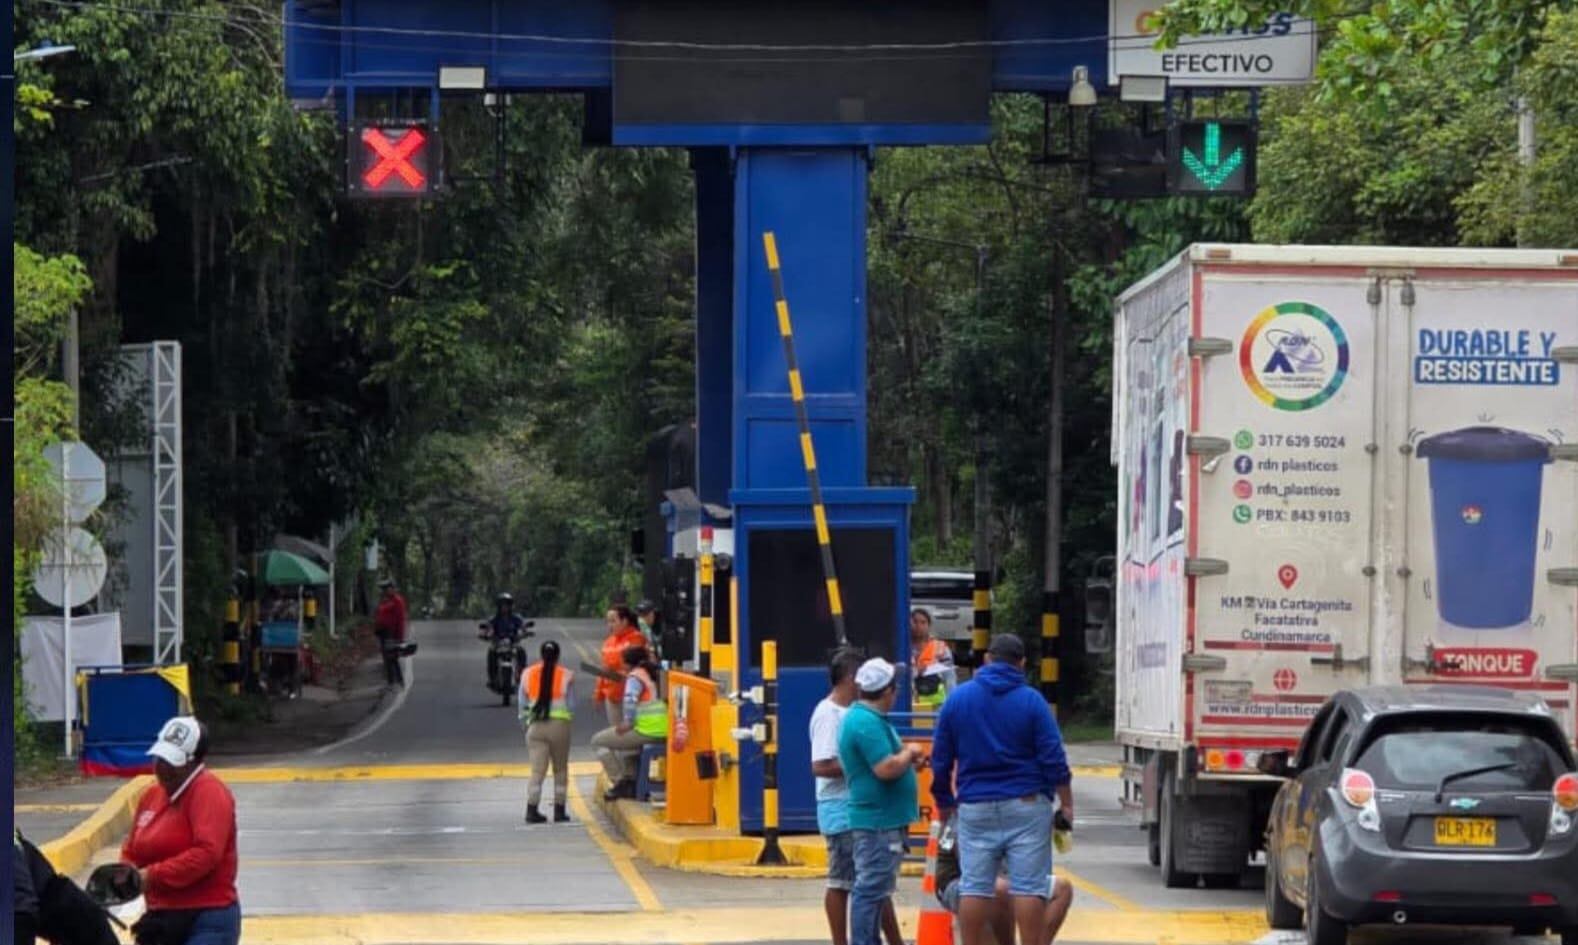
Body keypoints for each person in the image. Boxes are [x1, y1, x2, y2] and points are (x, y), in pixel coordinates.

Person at [931, 634, 1073, 945]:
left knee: (975, 886)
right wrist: (1066, 802)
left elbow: (940, 758)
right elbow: (1053, 757)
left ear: (986, 660)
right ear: (1021, 664)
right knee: (1028, 886)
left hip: (975, 805)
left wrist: (945, 802)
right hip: (1026, 804)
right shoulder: (1033, 701)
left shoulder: (957, 700)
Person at [810, 649, 904, 945]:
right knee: (843, 882)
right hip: (840, 810)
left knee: (875, 882)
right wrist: (864, 763)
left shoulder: (855, 714)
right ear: (851, 678)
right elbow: (821, 765)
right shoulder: (829, 714)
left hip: (861, 809)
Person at [120, 717, 240, 945]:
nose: (162, 767)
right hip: (161, 916)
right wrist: (125, 872)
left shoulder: (209, 792)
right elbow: (133, 847)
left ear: (193, 762)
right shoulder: (151, 796)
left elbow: (206, 854)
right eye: (160, 758)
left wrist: (152, 876)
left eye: (172, 761)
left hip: (207, 915)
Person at [837, 657, 921, 945]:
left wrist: (908, 759)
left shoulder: (870, 720)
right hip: (877, 822)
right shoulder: (864, 722)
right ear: (887, 691)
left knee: (876, 889)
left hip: (883, 819)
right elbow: (885, 768)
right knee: (870, 890)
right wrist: (909, 754)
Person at [934, 819, 1074, 945]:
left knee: (1062, 889)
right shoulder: (970, 815)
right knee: (999, 889)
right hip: (958, 883)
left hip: (1004, 878)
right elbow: (972, 869)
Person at [591, 645, 668, 801]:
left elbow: (630, 700)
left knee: (598, 742)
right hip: (662, 729)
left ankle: (621, 781)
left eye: (623, 663)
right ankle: (631, 778)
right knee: (626, 744)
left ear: (628, 663)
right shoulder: (654, 673)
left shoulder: (635, 677)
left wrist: (628, 722)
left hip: (648, 731)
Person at [521, 640, 575, 824]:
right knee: (560, 770)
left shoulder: (527, 674)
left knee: (537, 771)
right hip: (559, 727)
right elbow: (571, 705)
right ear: (558, 656)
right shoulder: (566, 675)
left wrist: (526, 724)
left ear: (540, 654)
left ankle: (531, 809)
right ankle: (559, 811)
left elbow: (522, 705)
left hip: (535, 727)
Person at [595, 606, 646, 728]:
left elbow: (631, 662)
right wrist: (598, 694)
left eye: (613, 621)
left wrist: (612, 667)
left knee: (630, 735)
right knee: (616, 734)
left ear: (625, 621)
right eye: (608, 621)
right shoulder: (608, 642)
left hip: (630, 694)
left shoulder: (636, 638)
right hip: (612, 695)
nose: (610, 625)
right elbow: (603, 669)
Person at [910, 609, 957, 713]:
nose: (919, 626)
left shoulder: (940, 647)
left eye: (923, 622)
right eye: (915, 622)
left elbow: (950, 678)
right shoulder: (903, 647)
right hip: (911, 703)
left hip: (936, 705)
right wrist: (916, 672)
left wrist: (951, 705)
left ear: (929, 625)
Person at [482, 592, 528, 687]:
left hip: (513, 642)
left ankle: (522, 675)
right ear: (498, 606)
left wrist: (525, 632)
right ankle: (493, 678)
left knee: (521, 652)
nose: (505, 607)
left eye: (507, 605)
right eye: (502, 605)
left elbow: (523, 627)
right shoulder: (494, 619)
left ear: (510, 606)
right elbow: (488, 628)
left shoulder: (516, 618)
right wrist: (486, 635)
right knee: (491, 653)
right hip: (498, 643)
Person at [374, 579, 408, 687]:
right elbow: (379, 615)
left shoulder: (397, 601)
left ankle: (397, 681)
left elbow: (401, 619)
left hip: (391, 633)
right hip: (383, 632)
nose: (385, 591)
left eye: (387, 588)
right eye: (384, 589)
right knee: (387, 658)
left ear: (393, 588)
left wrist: (400, 637)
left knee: (391, 657)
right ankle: (393, 681)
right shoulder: (385, 600)